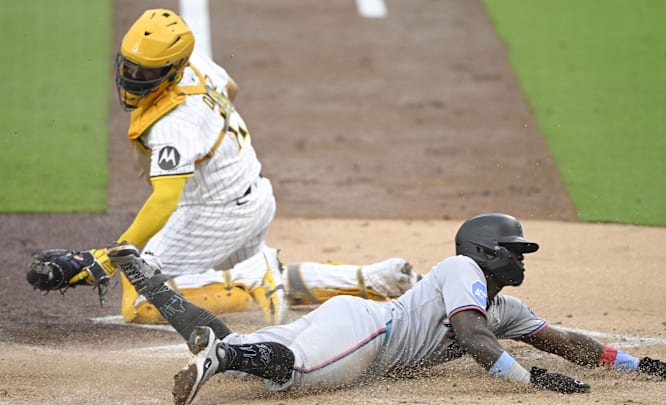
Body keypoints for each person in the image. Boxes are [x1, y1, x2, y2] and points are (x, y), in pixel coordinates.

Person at [24, 8, 418, 325]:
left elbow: (164, 201)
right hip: (253, 191)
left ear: (171, 70)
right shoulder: (197, 65)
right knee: (262, 275)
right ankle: (376, 279)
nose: (133, 79)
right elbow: (231, 89)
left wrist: (109, 258)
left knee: (142, 297)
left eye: (145, 74)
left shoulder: (173, 125)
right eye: (129, 68)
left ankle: (250, 282)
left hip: (215, 212)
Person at [103, 213, 666, 404]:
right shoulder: (463, 273)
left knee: (272, 349)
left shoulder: (504, 305)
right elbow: (471, 338)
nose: (522, 260)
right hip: (367, 335)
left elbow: (570, 342)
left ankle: (159, 290)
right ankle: (223, 359)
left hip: (355, 327)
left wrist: (642, 368)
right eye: (515, 251)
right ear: (487, 251)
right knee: (296, 369)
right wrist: (533, 380)